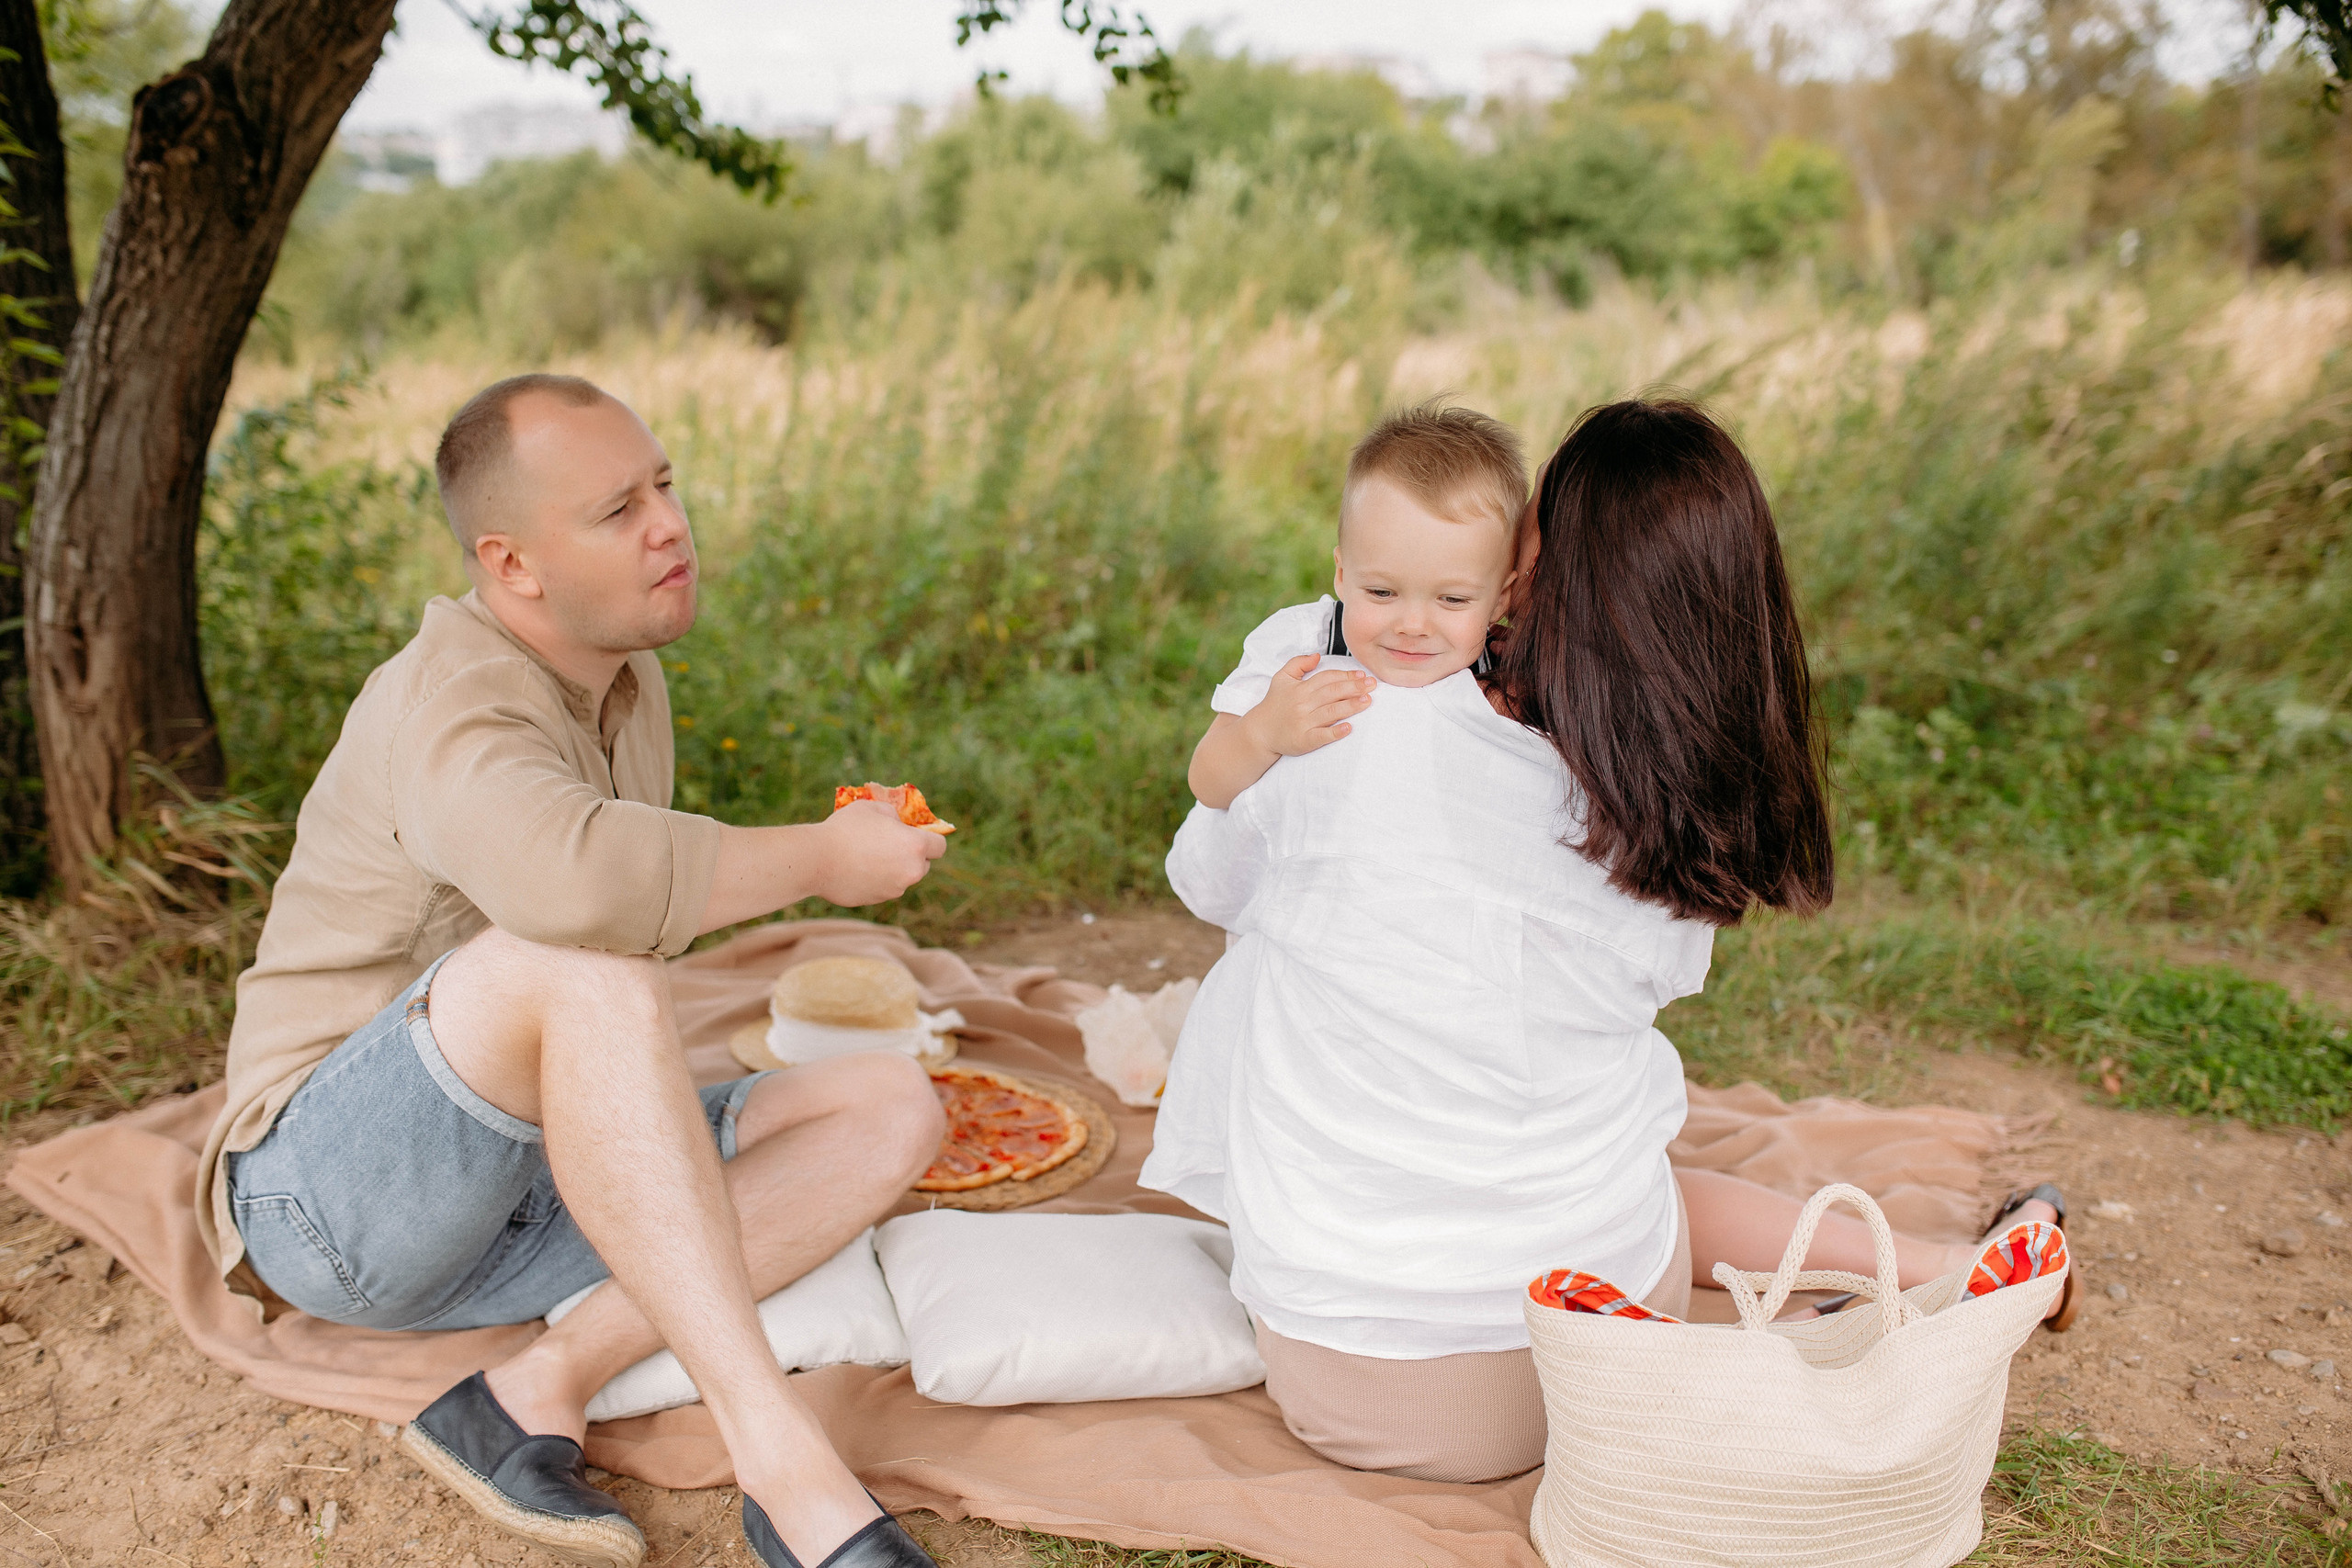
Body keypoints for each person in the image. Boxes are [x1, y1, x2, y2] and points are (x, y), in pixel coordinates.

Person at [1146, 399, 2072, 1487]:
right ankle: (1954, 1271)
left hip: (1355, 1381)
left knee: (1302, 987)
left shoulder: (1320, 701)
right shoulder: (1667, 796)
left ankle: (1928, 1276)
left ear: (1533, 570)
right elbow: (1657, 982)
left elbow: (1204, 881)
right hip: (1594, 1338)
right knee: (1599, 1133)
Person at [197, 375, 944, 1568]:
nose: (668, 524)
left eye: (666, 487)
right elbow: (578, 892)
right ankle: (783, 1461)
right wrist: (820, 856)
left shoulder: (626, 680)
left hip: (519, 1182)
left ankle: (535, 1385)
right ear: (513, 563)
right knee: (585, 967)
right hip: (333, 1204)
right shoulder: (456, 704)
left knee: (890, 1099)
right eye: (616, 509)